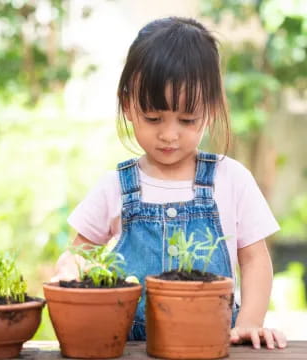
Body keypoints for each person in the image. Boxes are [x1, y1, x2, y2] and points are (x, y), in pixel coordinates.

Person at [52, 17, 287, 349]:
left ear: (211, 109)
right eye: (153, 117)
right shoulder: (115, 186)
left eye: (187, 120)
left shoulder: (231, 178)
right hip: (132, 349)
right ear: (127, 105)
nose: (169, 134)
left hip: (214, 346)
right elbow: (78, 253)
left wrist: (249, 323)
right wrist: (69, 273)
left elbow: (255, 259)